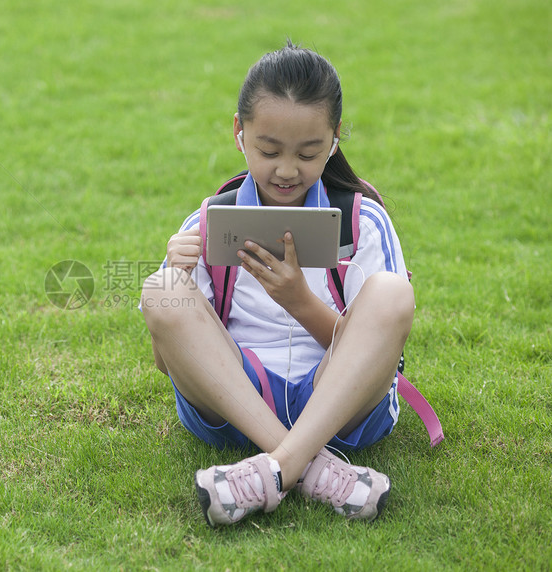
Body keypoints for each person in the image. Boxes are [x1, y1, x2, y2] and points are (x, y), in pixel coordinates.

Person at [140, 41, 414, 527]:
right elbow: (169, 366)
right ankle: (310, 469)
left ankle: (275, 470)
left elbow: (381, 352)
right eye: (269, 150)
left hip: (341, 403)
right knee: (160, 286)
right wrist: (176, 273)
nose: (287, 170)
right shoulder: (208, 222)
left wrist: (299, 301)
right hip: (234, 404)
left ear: (333, 142)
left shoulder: (361, 222)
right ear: (239, 134)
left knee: (392, 292)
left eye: (308, 153)